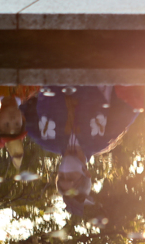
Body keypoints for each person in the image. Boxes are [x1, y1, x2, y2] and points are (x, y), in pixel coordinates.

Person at [23, 85, 139, 217]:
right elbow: (131, 108)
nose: (65, 172)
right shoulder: (102, 140)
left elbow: (23, 112)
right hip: (94, 73)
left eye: (62, 177)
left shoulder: (46, 140)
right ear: (86, 174)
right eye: (71, 177)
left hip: (53, 71)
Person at [0, 84, 41, 170]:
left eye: (6, 125)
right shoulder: (33, 87)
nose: (12, 119)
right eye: (17, 124)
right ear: (23, 118)